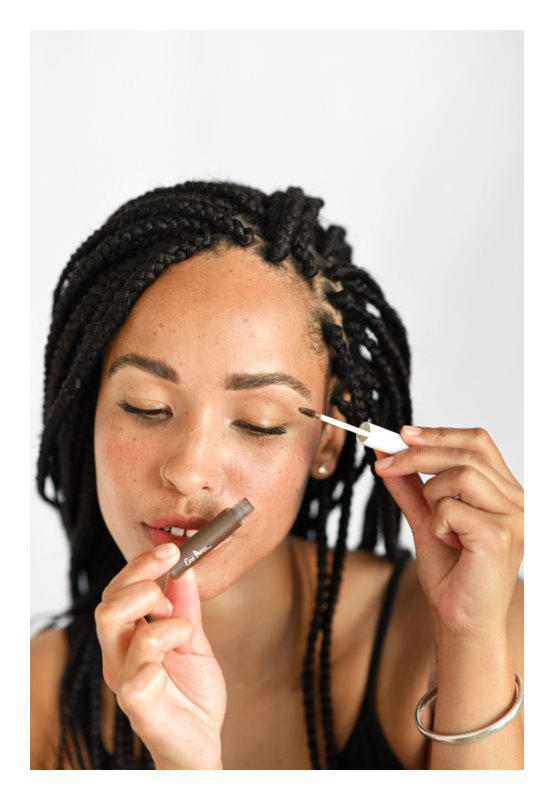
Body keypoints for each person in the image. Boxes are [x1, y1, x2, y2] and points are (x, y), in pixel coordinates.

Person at [31, 180, 524, 770]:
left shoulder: (476, 631)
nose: (189, 472)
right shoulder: (30, 704)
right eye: (146, 407)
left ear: (328, 441)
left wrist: (471, 639)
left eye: (259, 423)